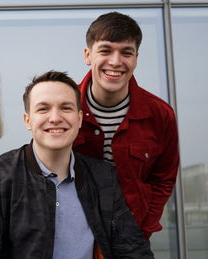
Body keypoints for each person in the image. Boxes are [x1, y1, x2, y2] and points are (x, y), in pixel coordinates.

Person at [0, 71, 153, 259]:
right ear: (28, 120)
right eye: (43, 109)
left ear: (79, 119)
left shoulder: (104, 176)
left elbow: (132, 249)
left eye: (65, 108)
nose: (55, 118)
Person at [73, 12, 180, 239]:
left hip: (130, 237)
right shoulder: (63, 106)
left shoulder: (160, 115)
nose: (115, 61)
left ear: (136, 58)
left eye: (126, 52)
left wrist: (143, 227)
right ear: (88, 55)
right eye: (105, 50)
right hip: (70, 234)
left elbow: (164, 178)